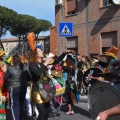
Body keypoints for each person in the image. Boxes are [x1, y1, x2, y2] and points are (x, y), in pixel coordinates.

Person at [1, 55, 30, 120]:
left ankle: (16, 118)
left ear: (13, 60)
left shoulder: (11, 68)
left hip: (14, 87)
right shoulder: (25, 67)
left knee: (14, 105)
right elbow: (29, 77)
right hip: (23, 87)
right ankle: (20, 118)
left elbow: (5, 77)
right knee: (21, 104)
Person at [0, 49, 8, 120]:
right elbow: (6, 72)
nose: (4, 56)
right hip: (2, 84)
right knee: (2, 103)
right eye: (3, 55)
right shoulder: (2, 63)